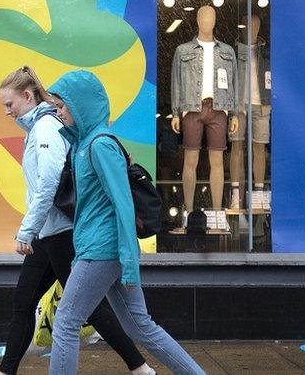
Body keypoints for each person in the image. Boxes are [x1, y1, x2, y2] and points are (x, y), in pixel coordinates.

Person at [0, 66, 153, 375]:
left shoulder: (45, 129)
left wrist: (26, 231)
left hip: (60, 232)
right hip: (49, 233)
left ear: (27, 96)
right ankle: (5, 370)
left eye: (9, 104)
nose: (6, 112)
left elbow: (48, 184)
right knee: (24, 302)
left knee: (86, 311)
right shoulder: (40, 128)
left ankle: (140, 367)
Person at [47, 70, 205, 375]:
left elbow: (122, 204)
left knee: (66, 321)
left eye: (63, 106)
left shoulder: (99, 146)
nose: (58, 111)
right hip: (101, 249)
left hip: (102, 250)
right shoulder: (83, 144)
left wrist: (130, 261)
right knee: (141, 328)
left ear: (81, 107)